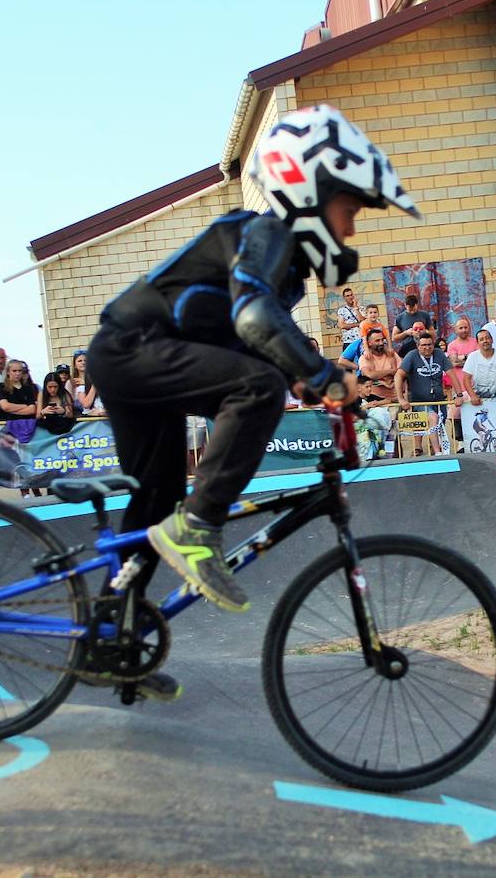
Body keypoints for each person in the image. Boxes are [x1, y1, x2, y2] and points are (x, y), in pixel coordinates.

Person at [85, 104, 412, 700]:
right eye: (349, 212)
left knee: (156, 501)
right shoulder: (267, 234)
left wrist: (315, 384)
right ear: (311, 198)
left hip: (137, 358)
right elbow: (254, 319)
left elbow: (245, 340)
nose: (353, 230)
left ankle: (112, 638)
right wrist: (314, 372)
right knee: (254, 393)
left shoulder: (286, 271)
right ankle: (198, 526)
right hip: (132, 349)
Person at [396, 331, 451, 456]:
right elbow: (399, 375)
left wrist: (458, 394)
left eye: (430, 344)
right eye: (424, 345)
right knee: (432, 418)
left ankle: (432, 446)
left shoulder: (439, 354)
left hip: (438, 399)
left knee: (439, 423)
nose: (427, 347)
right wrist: (401, 398)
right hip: (419, 399)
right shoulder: (411, 355)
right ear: (418, 346)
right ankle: (436, 451)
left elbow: (451, 373)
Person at [0, 360, 41, 498]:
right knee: (18, 460)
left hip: (29, 427)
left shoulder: (29, 387)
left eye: (19, 371)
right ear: (8, 372)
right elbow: (5, 407)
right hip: (11, 428)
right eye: (14, 371)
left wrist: (14, 408)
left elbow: (33, 409)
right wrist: (23, 408)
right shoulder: (2, 387)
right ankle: (25, 490)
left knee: (30, 460)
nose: (16, 374)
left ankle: (36, 488)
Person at [358, 329, 400, 404]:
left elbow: (400, 372)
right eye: (377, 341)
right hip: (376, 401)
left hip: (397, 397)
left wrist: (378, 375)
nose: (381, 343)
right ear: (369, 343)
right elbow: (370, 375)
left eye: (382, 340)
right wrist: (390, 371)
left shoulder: (391, 354)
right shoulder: (364, 358)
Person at [392, 293, 433, 358]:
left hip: (424, 347)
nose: (412, 312)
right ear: (405, 305)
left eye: (414, 309)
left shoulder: (424, 315)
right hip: (408, 349)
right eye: (410, 310)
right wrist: (406, 333)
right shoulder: (400, 317)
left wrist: (424, 331)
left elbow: (433, 333)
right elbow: (394, 338)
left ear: (417, 305)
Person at [38, 371, 78, 435]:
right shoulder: (42, 394)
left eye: (55, 386)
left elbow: (71, 415)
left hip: (64, 426)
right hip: (47, 427)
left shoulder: (64, 394)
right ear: (45, 386)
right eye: (50, 387)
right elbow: (38, 416)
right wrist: (43, 412)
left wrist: (63, 411)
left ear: (59, 385)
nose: (53, 390)